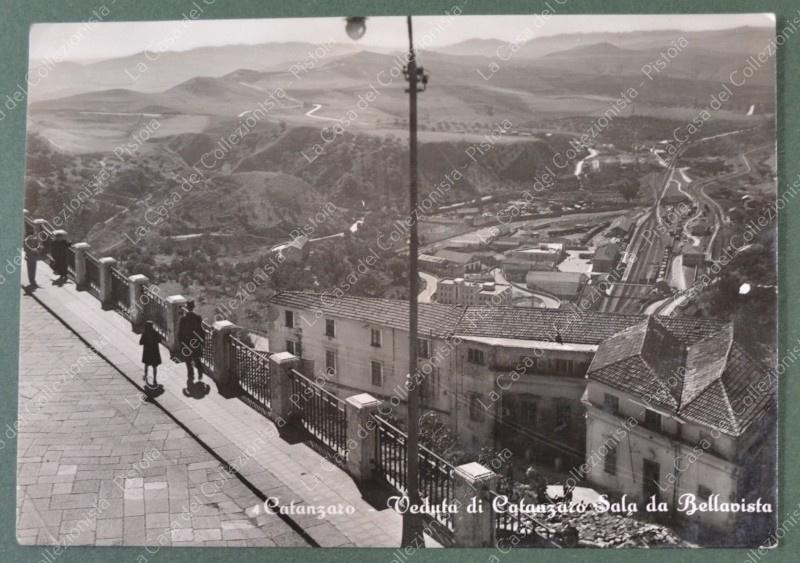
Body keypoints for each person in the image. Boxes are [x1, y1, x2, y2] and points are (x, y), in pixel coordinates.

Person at [177, 300, 204, 386]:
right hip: (195, 342)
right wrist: (201, 341)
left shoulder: (183, 319)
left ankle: (190, 375)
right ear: (193, 307)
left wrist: (181, 342)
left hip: (186, 343)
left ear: (187, 307)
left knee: (188, 360)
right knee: (197, 359)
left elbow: (180, 332)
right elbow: (200, 331)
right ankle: (200, 372)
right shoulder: (198, 318)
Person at [139, 321, 162, 386]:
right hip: (154, 352)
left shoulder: (145, 333)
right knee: (154, 367)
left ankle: (145, 376)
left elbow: (140, 343)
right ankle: (154, 379)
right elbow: (159, 340)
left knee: (146, 365)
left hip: (147, 352)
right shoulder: (155, 333)